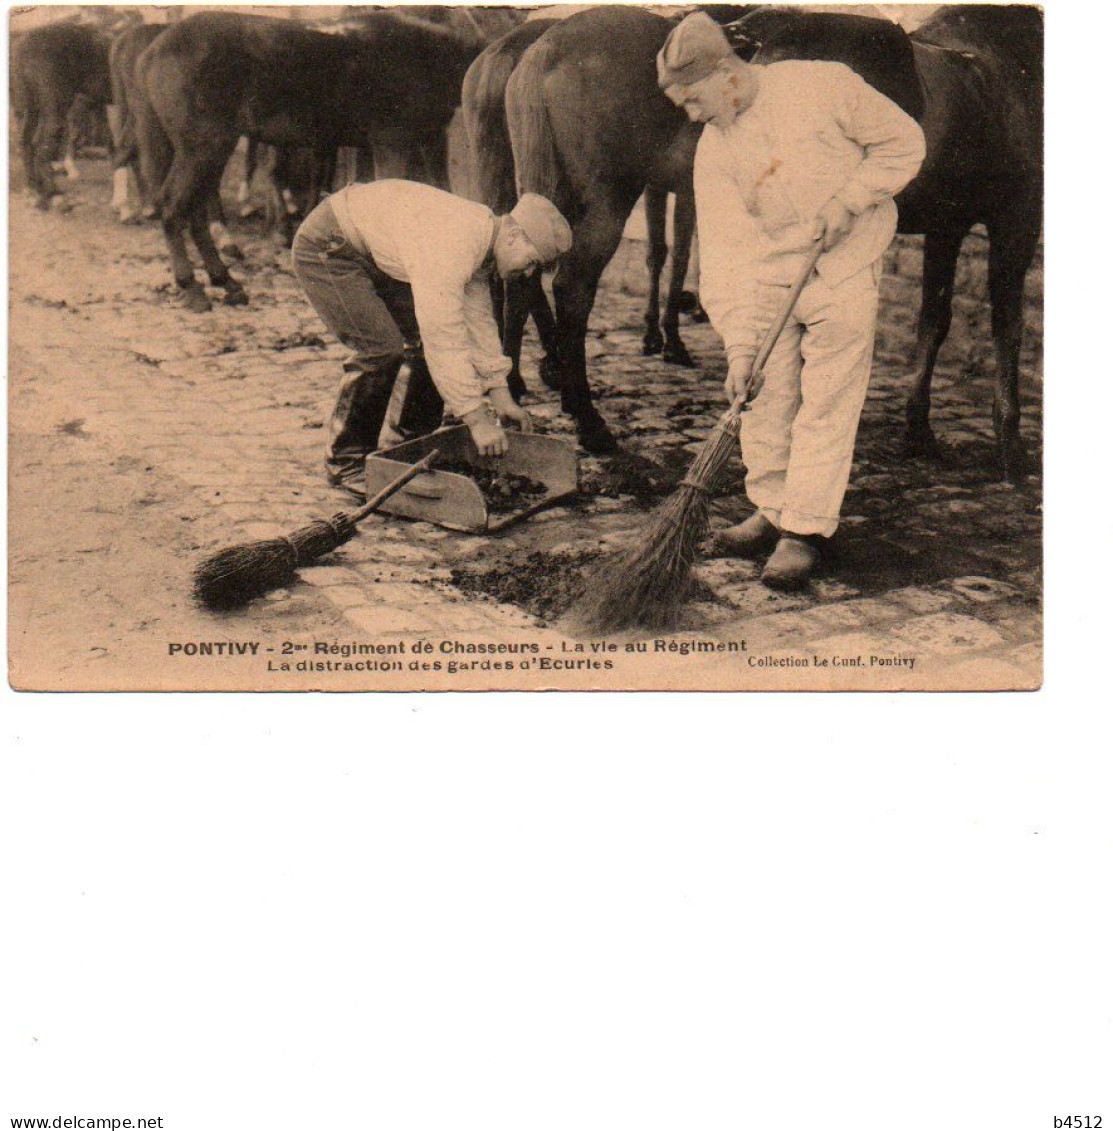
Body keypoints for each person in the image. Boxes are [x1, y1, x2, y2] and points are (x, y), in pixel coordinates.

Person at [657, 13, 926, 589]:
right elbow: (728, 256)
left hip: (843, 266)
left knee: (827, 398)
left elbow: (904, 144)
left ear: (728, 73)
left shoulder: (823, 85)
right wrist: (739, 348)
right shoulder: (715, 147)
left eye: (694, 100)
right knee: (765, 393)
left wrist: (851, 200)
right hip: (769, 278)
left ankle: (804, 529)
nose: (693, 115)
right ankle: (771, 507)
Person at [291, 179, 573, 499]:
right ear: (512, 234)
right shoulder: (454, 246)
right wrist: (477, 419)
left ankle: (408, 445)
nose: (528, 274)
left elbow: (478, 323)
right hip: (328, 246)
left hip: (370, 251)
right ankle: (346, 461)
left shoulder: (482, 241)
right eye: (532, 262)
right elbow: (446, 338)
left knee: (421, 344)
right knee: (380, 350)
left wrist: (500, 395)